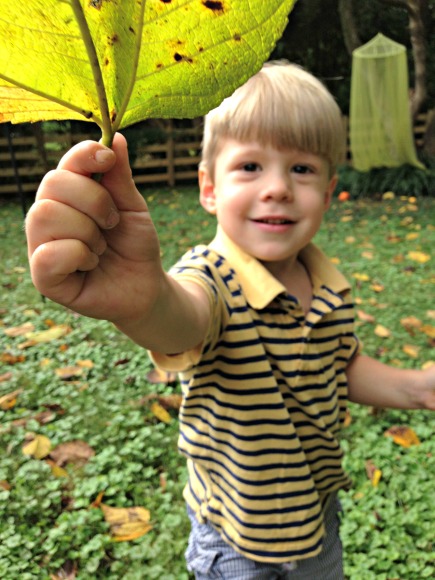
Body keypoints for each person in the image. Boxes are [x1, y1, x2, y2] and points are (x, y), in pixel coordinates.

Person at [26, 61, 435, 579]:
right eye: (250, 167)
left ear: (329, 193)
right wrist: (145, 300)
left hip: (317, 521)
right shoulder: (211, 277)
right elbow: (181, 318)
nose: (278, 188)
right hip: (234, 541)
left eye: (302, 169)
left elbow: (338, 367)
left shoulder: (328, 284)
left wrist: (420, 388)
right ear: (209, 187)